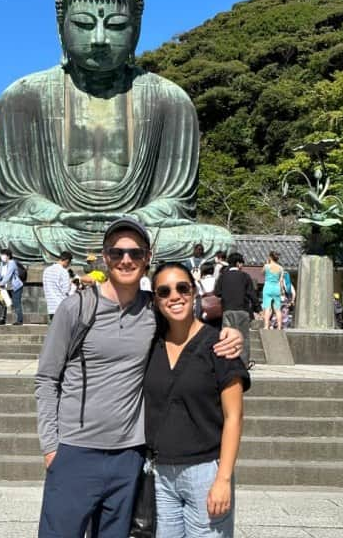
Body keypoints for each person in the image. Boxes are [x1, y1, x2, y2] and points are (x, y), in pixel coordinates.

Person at [0, 0, 233, 266]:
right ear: (61, 28)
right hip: (59, 231)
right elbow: (16, 199)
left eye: (115, 25)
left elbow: (177, 202)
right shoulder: (22, 97)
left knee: (215, 241)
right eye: (84, 24)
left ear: (136, 30)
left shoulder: (170, 100)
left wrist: (136, 218)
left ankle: (122, 245)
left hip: (140, 231)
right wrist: (60, 215)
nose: (100, 39)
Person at [35, 217, 243, 538]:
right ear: (105, 258)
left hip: (129, 455)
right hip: (76, 450)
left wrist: (229, 333)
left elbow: (187, 321)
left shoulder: (152, 310)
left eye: (135, 252)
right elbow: (47, 378)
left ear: (148, 258)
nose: (126, 259)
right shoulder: (76, 309)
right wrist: (51, 446)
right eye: (117, 253)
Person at [145, 261, 250, 538]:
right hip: (161, 472)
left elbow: (234, 417)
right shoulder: (150, 346)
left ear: (194, 292)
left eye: (182, 288)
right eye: (164, 292)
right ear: (155, 299)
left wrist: (223, 479)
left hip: (205, 471)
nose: (174, 297)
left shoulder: (220, 345)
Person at [215, 252, 261, 366]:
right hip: (242, 310)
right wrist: (258, 308)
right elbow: (251, 294)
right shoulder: (245, 276)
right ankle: (244, 363)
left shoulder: (223, 276)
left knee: (227, 337)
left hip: (227, 310)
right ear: (239, 263)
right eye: (242, 264)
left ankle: (226, 362)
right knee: (243, 338)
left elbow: (217, 292)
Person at [0, 249, 24, 325]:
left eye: (3, 255)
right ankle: (2, 319)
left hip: (16, 287)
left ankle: (19, 320)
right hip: (6, 287)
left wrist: (1, 283)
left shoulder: (12, 263)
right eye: (1, 254)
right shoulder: (2, 264)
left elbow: (8, 275)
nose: (2, 256)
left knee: (16, 303)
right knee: (3, 302)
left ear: (8, 256)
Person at [42, 251, 73, 320]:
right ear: (67, 261)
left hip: (51, 307)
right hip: (61, 306)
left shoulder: (46, 270)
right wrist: (70, 283)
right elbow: (66, 290)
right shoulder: (63, 272)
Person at [262, 252, 283, 330]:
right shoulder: (281, 268)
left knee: (267, 307)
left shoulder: (266, 266)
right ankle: (279, 326)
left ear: (270, 257)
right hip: (276, 288)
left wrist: (267, 263)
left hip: (268, 287)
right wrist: (282, 290)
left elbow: (262, 273)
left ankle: (266, 326)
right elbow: (281, 280)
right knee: (277, 309)